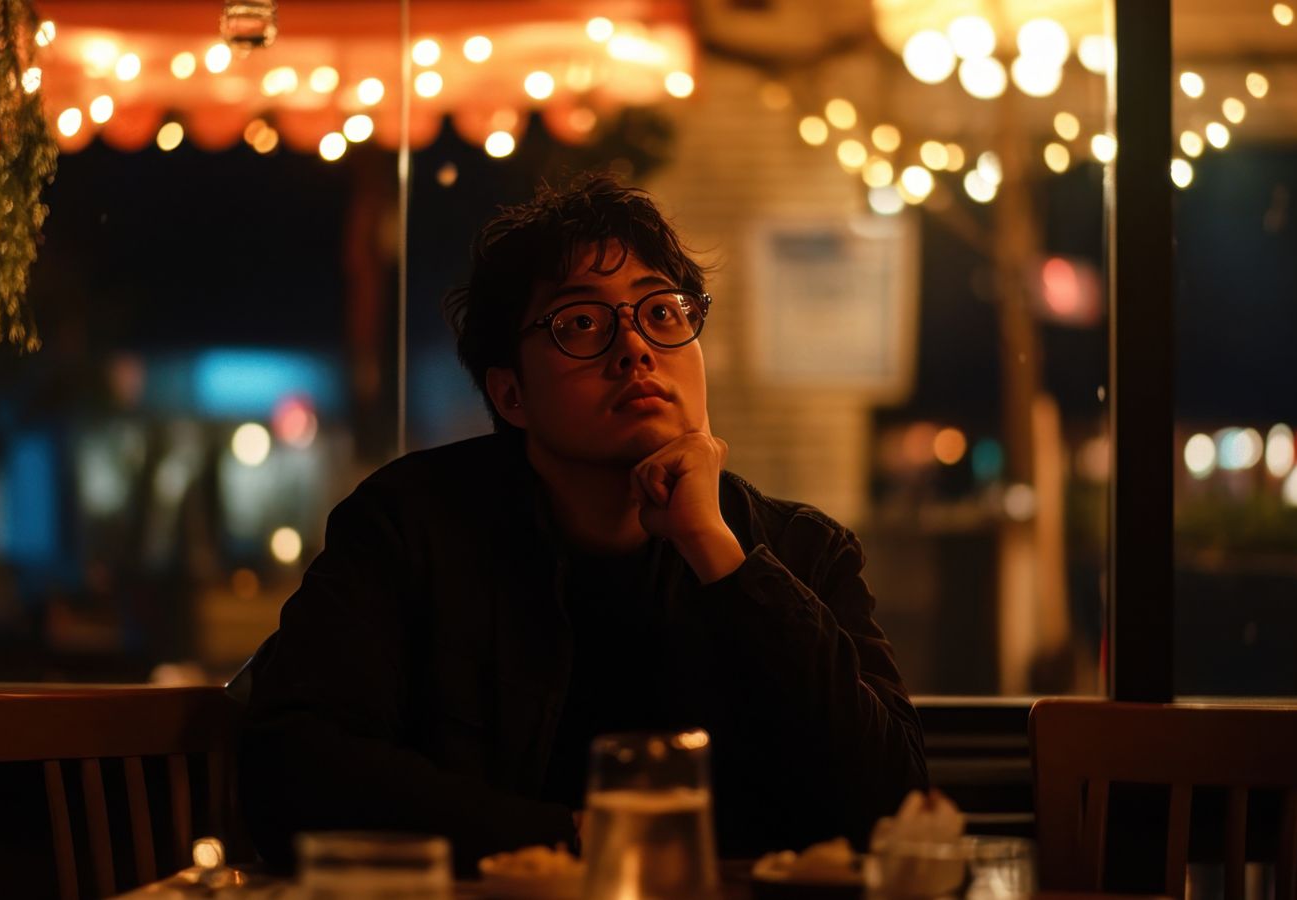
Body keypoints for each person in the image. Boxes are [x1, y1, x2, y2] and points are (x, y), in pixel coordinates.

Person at [238, 174, 928, 873]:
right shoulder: (411, 527)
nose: (634, 349)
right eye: (581, 324)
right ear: (511, 394)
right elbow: (293, 764)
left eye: (662, 313)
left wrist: (717, 551)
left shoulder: (798, 551)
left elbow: (891, 803)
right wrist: (572, 837)